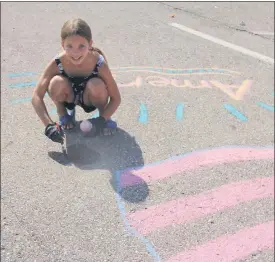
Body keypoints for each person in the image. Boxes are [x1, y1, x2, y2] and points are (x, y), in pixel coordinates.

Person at [32, 18, 121, 144]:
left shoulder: (99, 63)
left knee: (96, 84)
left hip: (89, 99)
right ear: (62, 44)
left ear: (90, 44)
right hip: (70, 97)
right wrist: (48, 125)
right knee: (56, 83)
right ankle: (63, 113)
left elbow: (116, 98)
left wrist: (101, 119)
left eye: (81, 46)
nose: (75, 52)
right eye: (69, 46)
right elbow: (36, 96)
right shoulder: (57, 62)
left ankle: (104, 117)